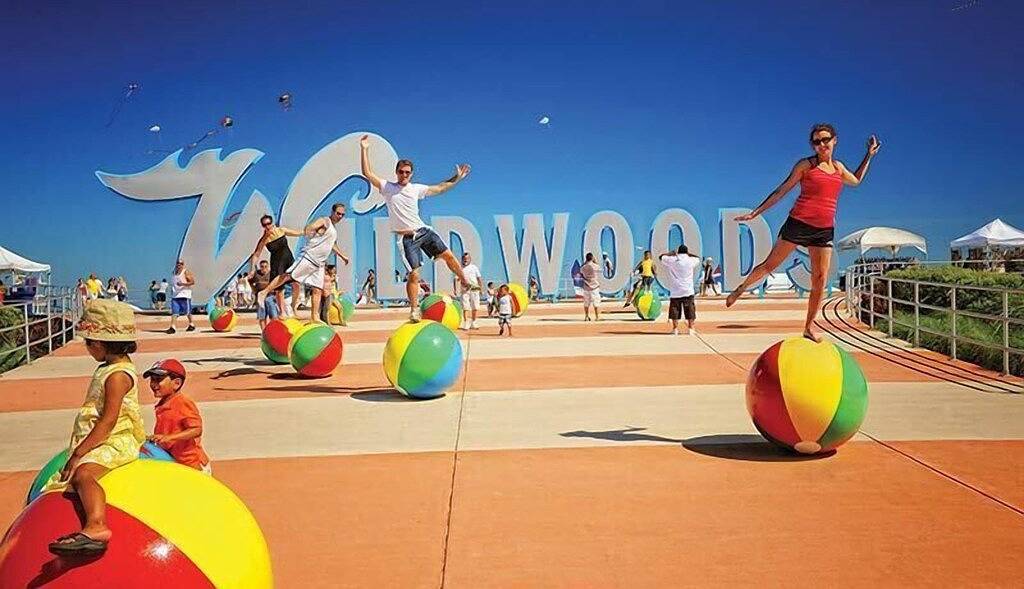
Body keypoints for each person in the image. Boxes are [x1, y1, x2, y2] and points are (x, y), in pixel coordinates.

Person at [728, 124, 881, 341]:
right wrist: (756, 212)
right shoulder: (805, 165)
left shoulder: (838, 168)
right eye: (816, 142)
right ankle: (741, 288)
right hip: (798, 224)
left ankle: (808, 327)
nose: (822, 145)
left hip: (823, 230)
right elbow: (781, 191)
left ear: (834, 140)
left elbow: (855, 180)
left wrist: (869, 156)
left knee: (820, 278)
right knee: (770, 266)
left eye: (825, 140)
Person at [44, 300, 145, 556]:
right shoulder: (109, 368)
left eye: (88, 343)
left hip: (116, 439)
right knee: (72, 476)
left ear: (99, 343)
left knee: (83, 475)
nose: (88, 347)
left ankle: (96, 525)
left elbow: (108, 421)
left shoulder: (117, 376)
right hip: (102, 437)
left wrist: (79, 453)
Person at [359, 134, 472, 321]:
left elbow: (440, 188)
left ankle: (465, 282)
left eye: (407, 172)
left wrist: (457, 178)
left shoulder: (415, 189)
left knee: (449, 256)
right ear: (396, 172)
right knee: (414, 274)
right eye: (401, 172)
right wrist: (364, 149)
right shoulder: (387, 187)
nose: (404, 175)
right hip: (407, 238)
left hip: (424, 231)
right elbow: (367, 173)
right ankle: (414, 309)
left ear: (411, 174)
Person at [256, 203, 350, 324]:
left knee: (317, 289)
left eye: (342, 214)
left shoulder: (333, 229)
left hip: (319, 263)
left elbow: (332, 244)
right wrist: (310, 231)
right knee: (288, 276)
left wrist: (343, 256)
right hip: (309, 257)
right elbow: (311, 226)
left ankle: (315, 316)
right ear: (332, 212)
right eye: (338, 213)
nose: (340, 216)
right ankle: (264, 292)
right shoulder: (325, 221)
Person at [144, 359, 211, 474]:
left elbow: (196, 430)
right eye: (152, 380)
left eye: (158, 380)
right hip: (175, 461)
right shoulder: (163, 403)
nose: (154, 384)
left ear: (177, 383)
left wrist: (169, 437)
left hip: (192, 464)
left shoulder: (182, 403)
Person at [251, 214, 301, 318]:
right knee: (279, 289)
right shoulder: (264, 239)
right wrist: (252, 269)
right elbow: (256, 254)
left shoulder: (281, 230)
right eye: (264, 225)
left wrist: (312, 231)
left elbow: (299, 233)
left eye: (268, 223)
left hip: (288, 260)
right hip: (277, 263)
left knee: (296, 284)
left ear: (272, 223)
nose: (267, 226)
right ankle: (282, 312)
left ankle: (293, 305)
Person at [659, 245, 702, 335]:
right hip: (688, 290)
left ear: (678, 251)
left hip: (676, 290)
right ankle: (691, 328)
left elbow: (661, 257)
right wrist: (689, 254)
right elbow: (698, 258)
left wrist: (671, 253)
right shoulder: (690, 260)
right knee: (690, 309)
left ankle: (675, 329)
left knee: (675, 310)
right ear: (686, 251)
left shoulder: (672, 260)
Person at [166, 260, 196, 334]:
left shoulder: (186, 272)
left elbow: (192, 282)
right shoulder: (174, 273)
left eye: (181, 264)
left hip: (184, 295)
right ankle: (172, 327)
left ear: (183, 265)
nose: (179, 265)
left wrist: (182, 284)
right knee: (174, 312)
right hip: (175, 295)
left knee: (187, 312)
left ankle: (191, 324)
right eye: (178, 263)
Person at [456, 252, 484, 330]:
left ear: (470, 259)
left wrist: (481, 288)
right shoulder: (460, 268)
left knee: (475, 306)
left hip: (474, 289)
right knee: (465, 307)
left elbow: (479, 278)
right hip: (464, 290)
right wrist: (455, 289)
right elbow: (456, 279)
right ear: (462, 259)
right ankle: (466, 322)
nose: (465, 260)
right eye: (464, 259)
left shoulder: (474, 267)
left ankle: (473, 322)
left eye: (467, 259)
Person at [248, 260, 278, 330]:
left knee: (273, 315)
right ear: (260, 267)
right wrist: (254, 290)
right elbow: (250, 281)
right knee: (262, 316)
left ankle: (273, 330)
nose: (264, 268)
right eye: (262, 266)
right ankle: (264, 332)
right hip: (260, 297)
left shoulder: (272, 274)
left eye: (265, 266)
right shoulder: (256, 274)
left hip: (270, 296)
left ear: (268, 267)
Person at [580, 252, 602, 321]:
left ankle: (586, 316)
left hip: (586, 286)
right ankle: (597, 317)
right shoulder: (595, 266)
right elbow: (600, 269)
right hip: (594, 287)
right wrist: (595, 261)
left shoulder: (583, 267)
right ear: (592, 258)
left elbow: (581, 271)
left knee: (586, 303)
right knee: (596, 302)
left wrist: (585, 263)